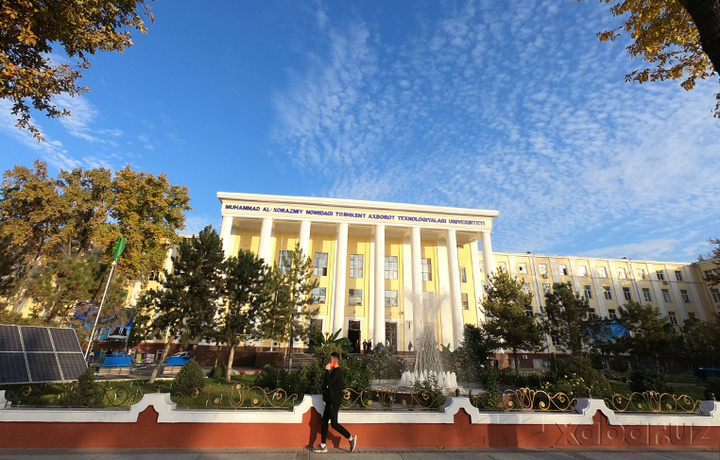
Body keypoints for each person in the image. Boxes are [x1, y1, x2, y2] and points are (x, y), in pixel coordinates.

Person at [313, 352, 358, 453]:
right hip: (330, 400)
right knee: (324, 421)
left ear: (334, 361)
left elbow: (329, 381)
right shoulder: (334, 371)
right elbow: (327, 383)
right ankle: (323, 445)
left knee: (334, 423)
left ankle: (350, 438)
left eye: (330, 360)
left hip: (335, 400)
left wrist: (326, 370)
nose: (329, 362)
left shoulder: (337, 371)